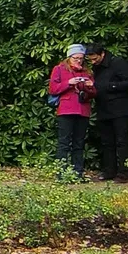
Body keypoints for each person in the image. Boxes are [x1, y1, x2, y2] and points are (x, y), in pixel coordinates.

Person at [86, 42, 128, 182]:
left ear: (102, 53)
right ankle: (109, 171)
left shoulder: (117, 62)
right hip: (103, 108)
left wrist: (107, 86)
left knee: (121, 141)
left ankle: (124, 172)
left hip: (120, 107)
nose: (93, 62)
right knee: (107, 142)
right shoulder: (96, 67)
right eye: (90, 60)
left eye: (95, 58)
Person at [48, 44, 96, 177]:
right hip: (66, 110)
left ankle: (78, 173)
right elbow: (53, 89)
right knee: (64, 142)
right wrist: (69, 83)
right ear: (69, 57)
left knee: (79, 143)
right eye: (76, 58)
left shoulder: (87, 72)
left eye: (81, 58)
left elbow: (94, 94)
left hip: (83, 110)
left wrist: (90, 87)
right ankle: (61, 173)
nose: (79, 61)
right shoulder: (59, 69)